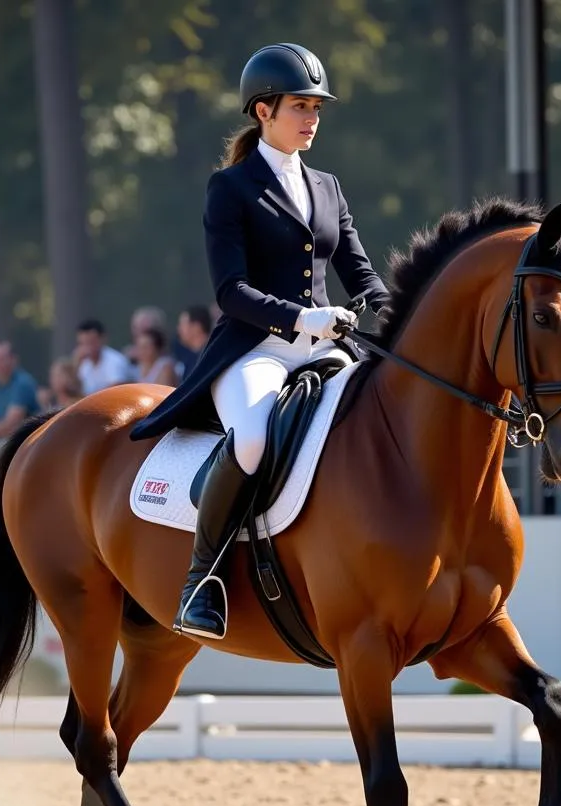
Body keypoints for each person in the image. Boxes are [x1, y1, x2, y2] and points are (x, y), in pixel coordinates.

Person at [129, 42, 390, 640]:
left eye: (316, 108)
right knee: (251, 440)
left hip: (324, 347)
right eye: (300, 106)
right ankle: (201, 580)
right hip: (256, 351)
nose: (312, 119)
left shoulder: (327, 185)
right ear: (263, 111)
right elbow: (231, 292)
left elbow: (359, 269)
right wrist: (304, 318)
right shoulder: (232, 188)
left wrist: (394, 309)